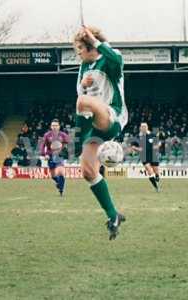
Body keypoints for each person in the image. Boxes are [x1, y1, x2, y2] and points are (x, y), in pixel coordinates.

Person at [74, 26, 128, 240]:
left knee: (83, 102)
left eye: (80, 48)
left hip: (112, 115)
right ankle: (113, 215)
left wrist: (96, 41)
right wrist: (82, 85)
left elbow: (118, 60)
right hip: (94, 125)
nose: (77, 53)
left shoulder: (108, 60)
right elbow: (80, 92)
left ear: (89, 46)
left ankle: (78, 141)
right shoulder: (83, 67)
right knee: (87, 171)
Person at [40, 119, 70, 196]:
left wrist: (65, 149)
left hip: (60, 156)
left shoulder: (63, 135)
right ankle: (58, 182)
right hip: (50, 156)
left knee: (61, 172)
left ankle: (61, 190)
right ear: (51, 126)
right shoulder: (47, 135)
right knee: (53, 175)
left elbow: (69, 143)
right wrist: (44, 154)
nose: (54, 127)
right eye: (53, 125)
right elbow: (42, 145)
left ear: (59, 126)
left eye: (56, 125)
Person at [131, 122, 161, 192]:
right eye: (142, 126)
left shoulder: (152, 135)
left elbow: (159, 142)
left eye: (145, 126)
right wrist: (138, 149)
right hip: (144, 156)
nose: (144, 128)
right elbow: (132, 146)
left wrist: (157, 146)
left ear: (147, 127)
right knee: (149, 170)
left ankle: (157, 176)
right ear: (140, 128)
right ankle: (156, 187)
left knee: (156, 171)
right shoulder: (138, 137)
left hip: (153, 155)